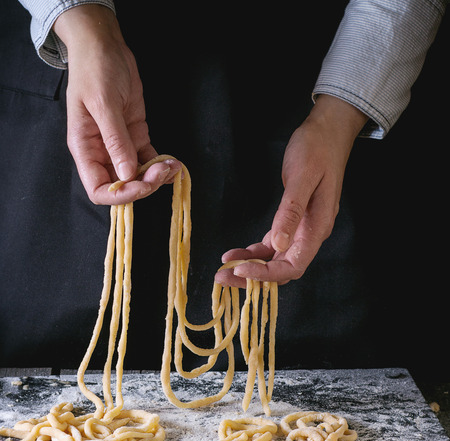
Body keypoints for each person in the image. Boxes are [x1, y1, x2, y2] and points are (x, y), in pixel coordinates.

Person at [0, 0, 447, 376]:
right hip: (75, 68)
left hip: (315, 89)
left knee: (311, 360)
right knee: (64, 359)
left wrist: (341, 113)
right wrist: (82, 26)